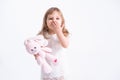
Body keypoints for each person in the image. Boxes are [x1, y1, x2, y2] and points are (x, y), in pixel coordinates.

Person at [35, 7, 70, 80]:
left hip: (60, 70)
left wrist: (58, 31)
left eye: (57, 18)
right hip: (47, 71)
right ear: (46, 22)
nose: (54, 20)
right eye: (50, 18)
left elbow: (65, 45)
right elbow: (37, 50)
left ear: (62, 22)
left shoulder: (64, 34)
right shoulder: (42, 35)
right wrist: (36, 54)